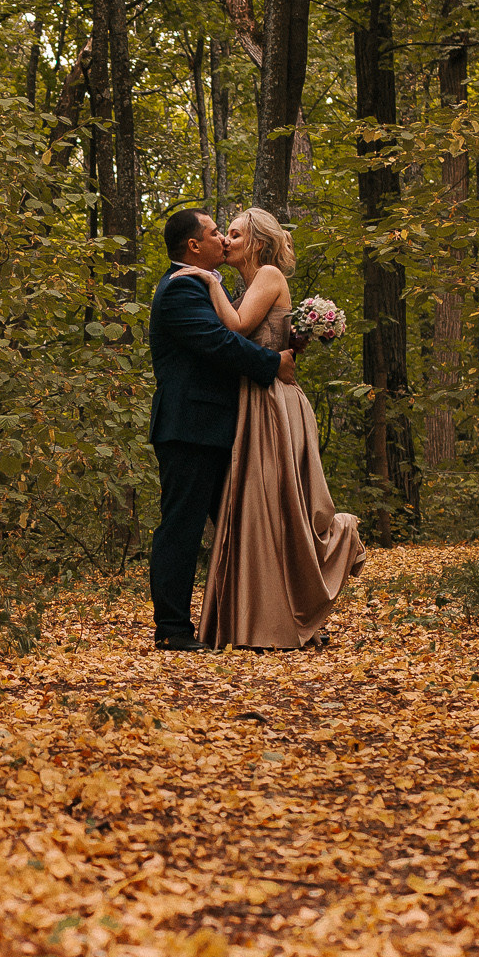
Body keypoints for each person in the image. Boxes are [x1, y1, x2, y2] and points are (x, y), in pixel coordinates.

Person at [173, 206, 364, 649]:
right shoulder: (248, 284)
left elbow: (237, 327)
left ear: (257, 242)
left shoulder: (269, 276)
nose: (226, 241)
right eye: (224, 233)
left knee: (281, 509)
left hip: (274, 406)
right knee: (261, 512)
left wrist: (205, 280)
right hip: (252, 404)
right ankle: (264, 617)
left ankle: (337, 548)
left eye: (235, 234)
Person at [148, 209, 294, 652]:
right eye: (216, 233)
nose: (223, 240)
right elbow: (219, 342)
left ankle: (260, 620)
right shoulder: (181, 288)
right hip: (189, 427)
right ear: (194, 246)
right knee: (182, 527)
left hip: (217, 426)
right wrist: (274, 363)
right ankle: (172, 630)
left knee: (244, 526)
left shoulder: (206, 285)